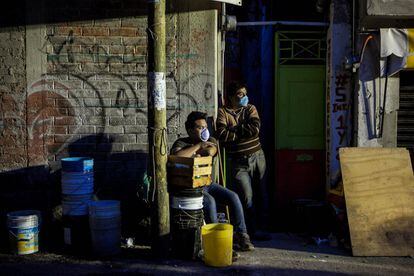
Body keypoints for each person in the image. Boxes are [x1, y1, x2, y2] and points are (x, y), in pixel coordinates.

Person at [170, 111, 254, 251]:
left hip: (208, 184)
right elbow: (177, 156)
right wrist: (197, 147)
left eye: (205, 127)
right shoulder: (181, 142)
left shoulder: (211, 141)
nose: (204, 130)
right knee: (210, 202)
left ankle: (242, 234)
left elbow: (210, 152)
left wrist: (197, 150)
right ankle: (216, 242)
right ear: (189, 130)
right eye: (199, 127)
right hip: (192, 188)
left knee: (233, 196)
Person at [215, 81, 269, 240]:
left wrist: (233, 130)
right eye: (240, 94)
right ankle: (249, 231)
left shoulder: (250, 108)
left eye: (245, 94)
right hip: (239, 162)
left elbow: (255, 129)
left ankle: (262, 228)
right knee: (246, 197)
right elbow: (222, 135)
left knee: (261, 193)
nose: (244, 97)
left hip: (257, 157)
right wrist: (241, 130)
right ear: (231, 97)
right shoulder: (223, 112)